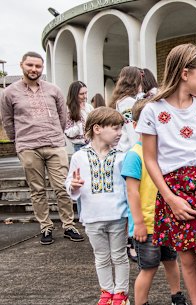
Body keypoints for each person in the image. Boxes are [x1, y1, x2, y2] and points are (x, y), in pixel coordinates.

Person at [136, 43, 196, 305]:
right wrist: (169, 198)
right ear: (184, 73)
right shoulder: (153, 110)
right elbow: (150, 158)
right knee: (187, 258)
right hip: (173, 188)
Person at [0, 51, 83, 245]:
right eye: (30, 65)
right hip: (28, 147)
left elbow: (63, 116)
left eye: (38, 66)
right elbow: (7, 120)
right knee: (37, 190)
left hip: (54, 144)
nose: (34, 69)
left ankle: (69, 225)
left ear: (42, 67)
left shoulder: (53, 89)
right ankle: (45, 227)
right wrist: (18, 141)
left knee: (63, 187)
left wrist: (55, 133)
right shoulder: (9, 92)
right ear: (22, 65)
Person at [121, 100, 188, 305]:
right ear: (135, 125)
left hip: (167, 222)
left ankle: (177, 296)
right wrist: (138, 223)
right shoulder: (134, 155)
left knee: (171, 261)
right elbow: (132, 192)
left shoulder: (166, 151)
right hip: (147, 225)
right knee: (148, 268)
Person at [65, 107, 129, 305]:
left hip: (118, 215)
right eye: (115, 128)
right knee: (101, 257)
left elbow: (128, 187)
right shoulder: (79, 157)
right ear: (98, 128)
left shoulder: (121, 156)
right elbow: (70, 184)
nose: (120, 133)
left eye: (121, 129)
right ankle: (106, 292)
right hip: (92, 217)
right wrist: (73, 186)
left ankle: (121, 293)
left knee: (119, 256)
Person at [109, 66, 143, 152]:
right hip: (129, 150)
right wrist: (137, 151)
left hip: (125, 149)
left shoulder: (122, 100)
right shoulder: (128, 102)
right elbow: (131, 130)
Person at [65, 81, 94, 152]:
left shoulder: (89, 107)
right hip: (79, 146)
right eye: (81, 94)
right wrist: (80, 126)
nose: (85, 96)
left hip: (92, 144)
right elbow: (68, 132)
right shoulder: (68, 110)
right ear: (74, 95)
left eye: (86, 93)